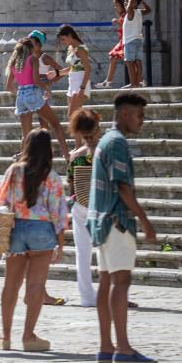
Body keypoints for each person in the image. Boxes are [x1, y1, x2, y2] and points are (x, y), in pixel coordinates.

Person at [87, 91, 158, 363]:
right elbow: (123, 187)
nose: (142, 121)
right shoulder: (117, 143)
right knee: (121, 281)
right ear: (125, 113)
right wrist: (145, 221)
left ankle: (106, 345)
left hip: (101, 221)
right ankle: (124, 348)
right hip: (116, 220)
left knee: (107, 282)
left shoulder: (106, 140)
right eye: (140, 115)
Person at [0, 129, 68, 352]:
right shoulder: (51, 176)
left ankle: (5, 336)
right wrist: (60, 243)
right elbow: (59, 213)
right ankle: (28, 336)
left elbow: (0, 200)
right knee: (36, 285)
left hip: (16, 227)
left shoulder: (14, 171)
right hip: (42, 229)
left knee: (10, 284)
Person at [67, 110, 102, 308]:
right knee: (108, 252)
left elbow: (70, 183)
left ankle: (87, 296)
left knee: (82, 253)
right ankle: (114, 293)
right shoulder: (105, 153)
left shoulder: (75, 156)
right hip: (103, 205)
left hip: (80, 204)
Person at [5, 33, 66, 146]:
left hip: (27, 93)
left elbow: (60, 71)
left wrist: (50, 82)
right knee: (52, 123)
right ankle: (52, 151)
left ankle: (32, 151)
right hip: (36, 90)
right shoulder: (32, 59)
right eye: (31, 43)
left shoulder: (42, 57)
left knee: (38, 126)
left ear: (39, 44)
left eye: (33, 43)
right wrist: (46, 87)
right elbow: (36, 80)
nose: (32, 46)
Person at [56, 25, 93, 122]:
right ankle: (86, 130)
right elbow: (72, 68)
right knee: (75, 117)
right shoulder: (70, 48)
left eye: (63, 39)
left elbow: (88, 69)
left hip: (80, 83)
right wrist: (56, 73)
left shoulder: (80, 49)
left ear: (69, 35)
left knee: (72, 116)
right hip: (72, 84)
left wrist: (82, 88)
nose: (63, 42)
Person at [119, 0, 152, 88]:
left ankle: (133, 83)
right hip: (138, 40)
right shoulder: (138, 12)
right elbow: (149, 10)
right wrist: (142, 2)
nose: (125, 3)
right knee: (138, 62)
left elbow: (128, 9)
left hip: (130, 41)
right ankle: (139, 81)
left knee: (129, 62)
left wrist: (130, 1)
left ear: (134, 3)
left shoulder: (131, 12)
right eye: (125, 1)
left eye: (127, 1)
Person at [103, 0, 127, 89]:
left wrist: (118, 22)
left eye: (117, 5)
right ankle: (108, 81)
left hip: (126, 41)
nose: (115, 8)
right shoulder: (122, 16)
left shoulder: (127, 15)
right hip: (122, 41)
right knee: (113, 58)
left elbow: (126, 26)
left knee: (131, 61)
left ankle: (139, 80)